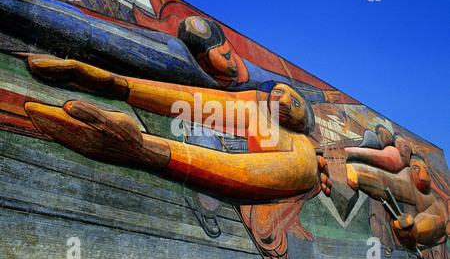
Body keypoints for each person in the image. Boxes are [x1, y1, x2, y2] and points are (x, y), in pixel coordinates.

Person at [20, 53, 329, 203]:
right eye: (278, 91)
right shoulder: (257, 107)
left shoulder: (301, 148)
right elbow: (190, 101)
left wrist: (146, 152)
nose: (283, 98)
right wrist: (110, 81)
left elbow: (247, 174)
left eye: (295, 103)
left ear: (305, 123)